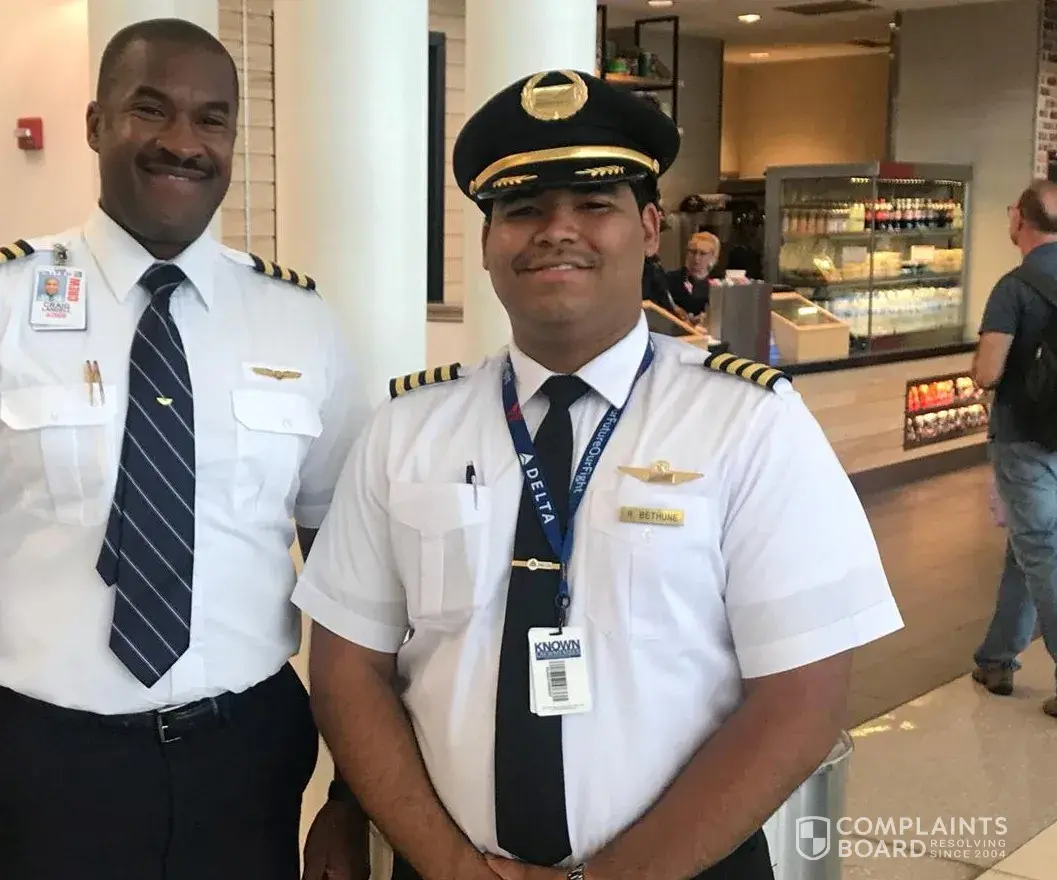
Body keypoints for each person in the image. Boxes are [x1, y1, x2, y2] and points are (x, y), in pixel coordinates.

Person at [289, 69, 905, 879]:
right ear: (487, 243)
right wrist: (451, 867)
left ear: (649, 228)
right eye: (522, 210)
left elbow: (801, 697)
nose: (556, 231)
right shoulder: (408, 427)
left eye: (592, 204)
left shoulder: (748, 424)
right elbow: (348, 670)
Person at [0, 18, 370, 880]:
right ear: (96, 124)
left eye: (211, 119)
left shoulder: (301, 324)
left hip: (245, 763)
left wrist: (350, 798)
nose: (182, 142)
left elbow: (352, 583)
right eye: (150, 109)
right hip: (43, 770)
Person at [970, 179, 1057, 717]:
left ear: (1020, 220)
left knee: (1042, 548)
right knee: (1027, 546)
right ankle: (997, 657)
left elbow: (988, 371)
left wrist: (979, 369)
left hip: (1025, 438)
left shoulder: (1014, 286)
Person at [665, 231, 719, 321]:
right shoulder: (670, 278)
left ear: (713, 257)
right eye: (693, 252)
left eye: (702, 253)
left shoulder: (717, 285)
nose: (696, 258)